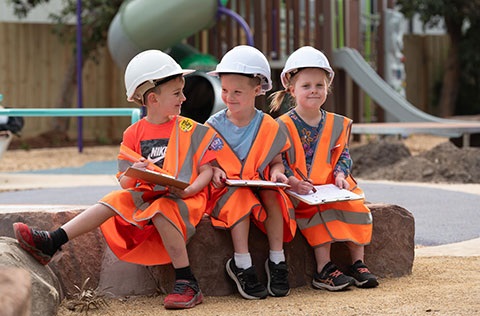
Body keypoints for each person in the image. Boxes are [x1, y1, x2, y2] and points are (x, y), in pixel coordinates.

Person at [13, 50, 217, 310]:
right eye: (177, 93)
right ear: (153, 99)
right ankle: (52, 241)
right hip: (149, 194)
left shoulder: (189, 127)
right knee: (112, 199)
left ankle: (187, 280)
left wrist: (190, 189)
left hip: (186, 196)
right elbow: (125, 184)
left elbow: (207, 169)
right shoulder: (133, 133)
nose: (184, 98)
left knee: (161, 208)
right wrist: (137, 169)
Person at [269, 46, 378, 291]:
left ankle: (358, 264)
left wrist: (340, 174)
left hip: (332, 187)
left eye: (319, 85)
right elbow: (278, 160)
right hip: (299, 190)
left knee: (356, 205)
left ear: (327, 87)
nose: (314, 91)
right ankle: (324, 269)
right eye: (306, 86)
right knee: (318, 214)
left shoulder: (336, 123)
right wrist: (293, 182)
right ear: (291, 89)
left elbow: (344, 155)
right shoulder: (281, 125)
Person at [205, 45, 296, 300]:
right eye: (224, 90)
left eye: (237, 92)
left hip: (259, 183)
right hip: (226, 191)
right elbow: (206, 162)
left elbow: (277, 161)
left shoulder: (268, 125)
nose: (229, 97)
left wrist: (278, 173)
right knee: (241, 199)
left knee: (273, 195)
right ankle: (242, 263)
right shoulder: (212, 126)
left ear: (257, 90)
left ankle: (277, 260)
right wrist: (213, 171)